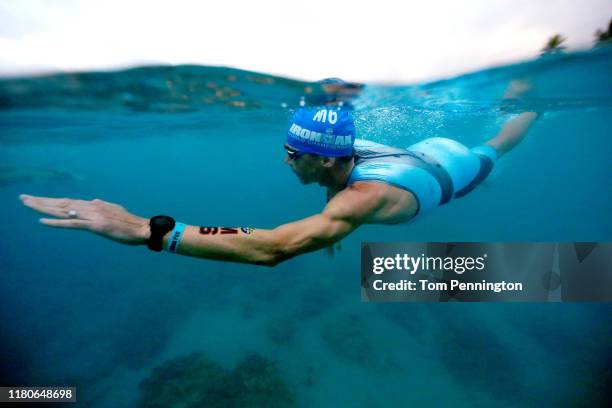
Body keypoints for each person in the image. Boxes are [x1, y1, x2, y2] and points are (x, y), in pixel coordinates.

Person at [19, 107, 538, 266]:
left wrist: (144, 229)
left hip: (455, 173)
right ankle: (523, 106)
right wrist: (332, 220)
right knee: (492, 143)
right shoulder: (344, 154)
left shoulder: (365, 196)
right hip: (429, 148)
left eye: (292, 154)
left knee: (496, 147)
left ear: (319, 156)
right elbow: (337, 185)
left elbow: (274, 247)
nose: (283, 160)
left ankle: (527, 110)